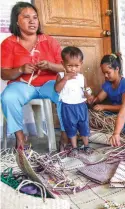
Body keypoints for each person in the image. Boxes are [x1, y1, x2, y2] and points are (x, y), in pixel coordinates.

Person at [1, 2, 67, 149]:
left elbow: (65, 66)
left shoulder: (49, 41)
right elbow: (4, 74)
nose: (32, 21)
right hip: (22, 85)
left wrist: (50, 65)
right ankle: (20, 137)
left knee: (67, 93)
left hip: (49, 84)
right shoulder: (8, 43)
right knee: (8, 97)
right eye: (26, 17)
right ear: (16, 22)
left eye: (35, 17)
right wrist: (20, 69)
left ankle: (65, 134)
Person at [54, 46, 92, 156]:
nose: (73, 69)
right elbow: (57, 89)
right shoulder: (60, 76)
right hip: (67, 106)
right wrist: (66, 78)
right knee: (71, 127)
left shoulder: (81, 77)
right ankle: (74, 147)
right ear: (63, 64)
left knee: (84, 125)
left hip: (81, 106)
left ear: (81, 64)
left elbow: (86, 89)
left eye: (76, 66)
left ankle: (86, 145)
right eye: (69, 66)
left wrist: (88, 95)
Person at [88, 53, 125, 126]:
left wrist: (104, 107)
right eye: (104, 73)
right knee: (93, 119)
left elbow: (124, 107)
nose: (105, 75)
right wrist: (91, 99)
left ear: (117, 69)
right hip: (115, 113)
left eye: (108, 73)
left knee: (110, 123)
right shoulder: (108, 84)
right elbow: (99, 98)